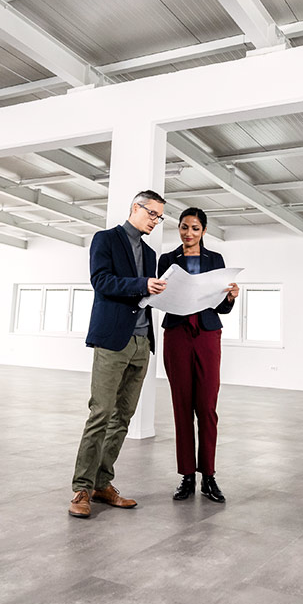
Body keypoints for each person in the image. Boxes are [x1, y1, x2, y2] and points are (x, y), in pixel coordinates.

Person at [68, 190, 170, 519]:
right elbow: (101, 281)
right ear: (135, 208)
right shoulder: (106, 239)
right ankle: (81, 488)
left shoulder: (152, 252)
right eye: (152, 214)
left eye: (159, 217)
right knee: (101, 413)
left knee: (123, 418)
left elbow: (146, 292)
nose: (156, 221)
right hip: (113, 340)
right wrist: (142, 284)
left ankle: (102, 483)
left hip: (142, 342)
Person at [157, 207, 239, 503]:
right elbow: (162, 297)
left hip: (206, 334)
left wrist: (229, 297)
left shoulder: (215, 260)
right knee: (181, 406)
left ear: (203, 231)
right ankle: (187, 477)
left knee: (206, 408)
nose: (188, 233)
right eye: (183, 227)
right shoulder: (167, 260)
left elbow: (220, 307)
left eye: (194, 228)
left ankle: (209, 476)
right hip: (177, 334)